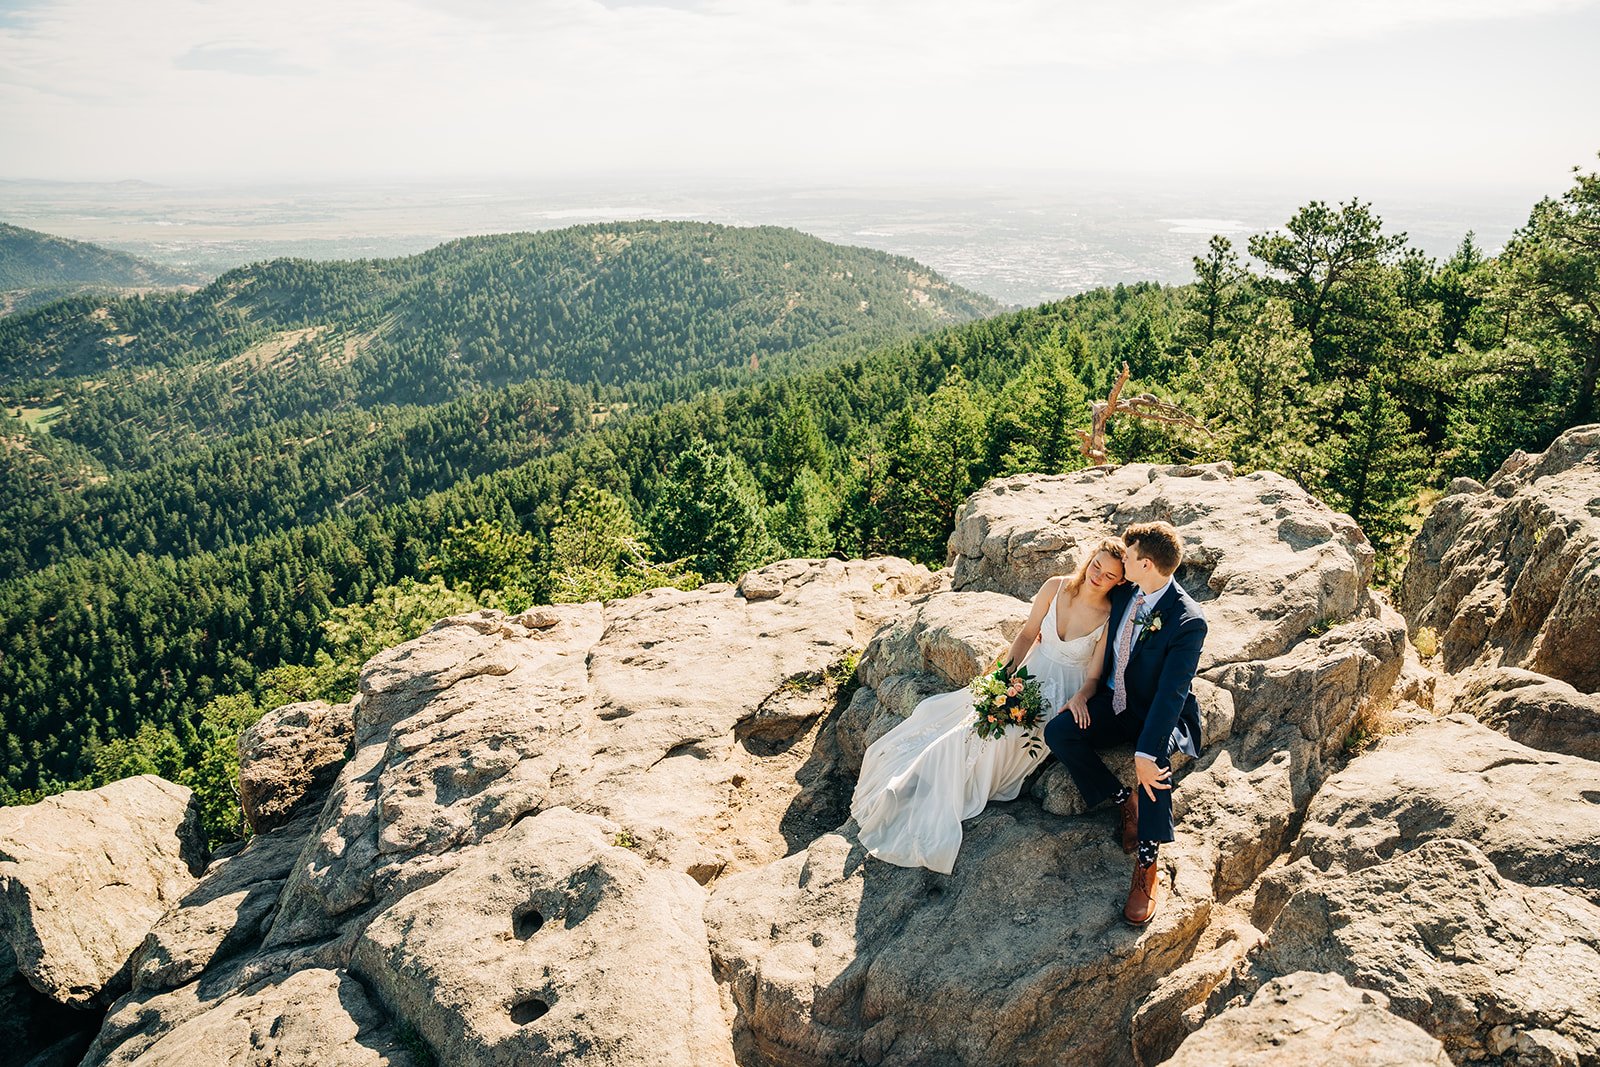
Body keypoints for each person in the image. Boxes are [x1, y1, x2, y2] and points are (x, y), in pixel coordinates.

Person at [850, 538, 1127, 874]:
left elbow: (1094, 676)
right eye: (1097, 565)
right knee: (968, 726)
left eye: (1109, 575)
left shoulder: (1110, 616)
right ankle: (912, 784)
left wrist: (1081, 697)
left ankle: (947, 792)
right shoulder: (1055, 587)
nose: (1098, 575)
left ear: (1120, 581)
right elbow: (1027, 635)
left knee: (1004, 737)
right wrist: (1003, 678)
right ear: (1090, 558)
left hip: (1057, 695)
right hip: (1025, 676)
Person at [1044, 520, 1206, 927]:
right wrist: (1083, 691)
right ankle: (1123, 802)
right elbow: (1083, 587)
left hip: (1158, 713)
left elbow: (1172, 695)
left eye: (1129, 557)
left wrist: (1147, 753)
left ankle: (1147, 868)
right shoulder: (1126, 592)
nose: (1122, 558)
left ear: (1146, 564)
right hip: (1114, 702)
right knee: (1059, 732)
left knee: (1153, 768)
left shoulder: (1187, 621)